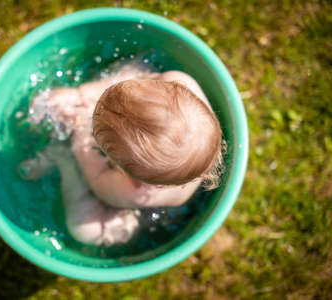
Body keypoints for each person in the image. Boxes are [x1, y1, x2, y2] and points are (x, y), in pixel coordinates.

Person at [21, 63, 224, 246]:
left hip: (139, 207)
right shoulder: (178, 81)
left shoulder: (135, 192)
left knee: (86, 230)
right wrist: (82, 94)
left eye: (102, 145)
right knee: (135, 67)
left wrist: (80, 134)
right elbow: (136, 76)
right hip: (162, 164)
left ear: (127, 173)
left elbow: (98, 179)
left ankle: (63, 160)